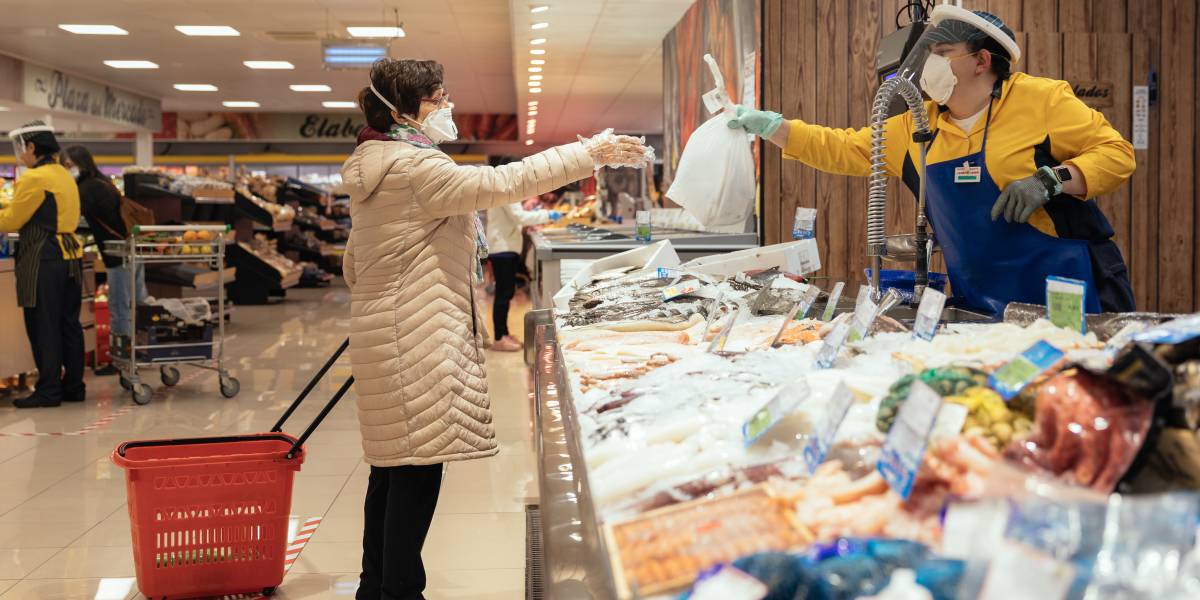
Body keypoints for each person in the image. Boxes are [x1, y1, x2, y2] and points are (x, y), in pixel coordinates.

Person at [342, 58, 649, 600]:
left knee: (390, 469)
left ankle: (377, 588)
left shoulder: (379, 161)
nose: (448, 106)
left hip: (388, 330)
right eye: (437, 98)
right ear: (404, 110)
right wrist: (588, 153)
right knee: (414, 474)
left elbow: (354, 263)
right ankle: (400, 592)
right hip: (415, 337)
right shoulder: (415, 170)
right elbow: (504, 181)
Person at [728, 6, 1136, 316]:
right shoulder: (917, 125)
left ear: (982, 61)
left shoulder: (1042, 99)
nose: (930, 63)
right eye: (931, 52)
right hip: (980, 302)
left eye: (944, 52)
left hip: (1063, 291)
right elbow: (844, 147)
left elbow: (1118, 154)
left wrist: (1053, 179)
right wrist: (772, 127)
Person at [1, 122, 85, 408]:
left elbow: (12, 221)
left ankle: (48, 391)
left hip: (44, 257)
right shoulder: (63, 174)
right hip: (71, 256)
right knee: (68, 324)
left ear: (32, 147)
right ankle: (74, 386)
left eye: (21, 147)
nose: (20, 154)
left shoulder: (34, 178)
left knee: (43, 324)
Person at [62, 145, 148, 375]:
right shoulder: (103, 181)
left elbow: (73, 220)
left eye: (69, 165)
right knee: (139, 303)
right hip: (133, 250)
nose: (67, 170)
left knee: (119, 308)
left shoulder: (87, 188)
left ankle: (122, 360)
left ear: (81, 163)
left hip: (117, 256)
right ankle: (143, 349)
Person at [485, 202, 561, 351]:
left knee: (506, 293)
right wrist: (547, 215)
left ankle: (504, 334)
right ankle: (499, 338)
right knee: (503, 294)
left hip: (505, 247)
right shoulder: (506, 188)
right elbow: (519, 217)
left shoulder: (506, 187)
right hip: (502, 248)